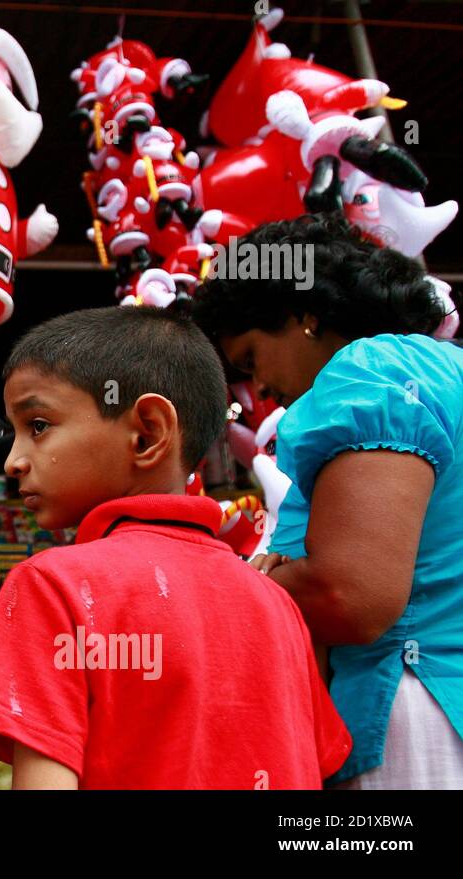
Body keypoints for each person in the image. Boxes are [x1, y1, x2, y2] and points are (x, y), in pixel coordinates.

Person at [0, 306, 351, 789]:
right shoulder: (275, 603)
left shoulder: (53, 587)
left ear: (147, 433)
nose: (13, 461)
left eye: (37, 425)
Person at [193, 214, 463, 789]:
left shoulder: (371, 377)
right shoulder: (445, 368)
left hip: (410, 718)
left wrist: (248, 583)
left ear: (303, 318)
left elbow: (351, 596)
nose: (258, 388)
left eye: (250, 358)